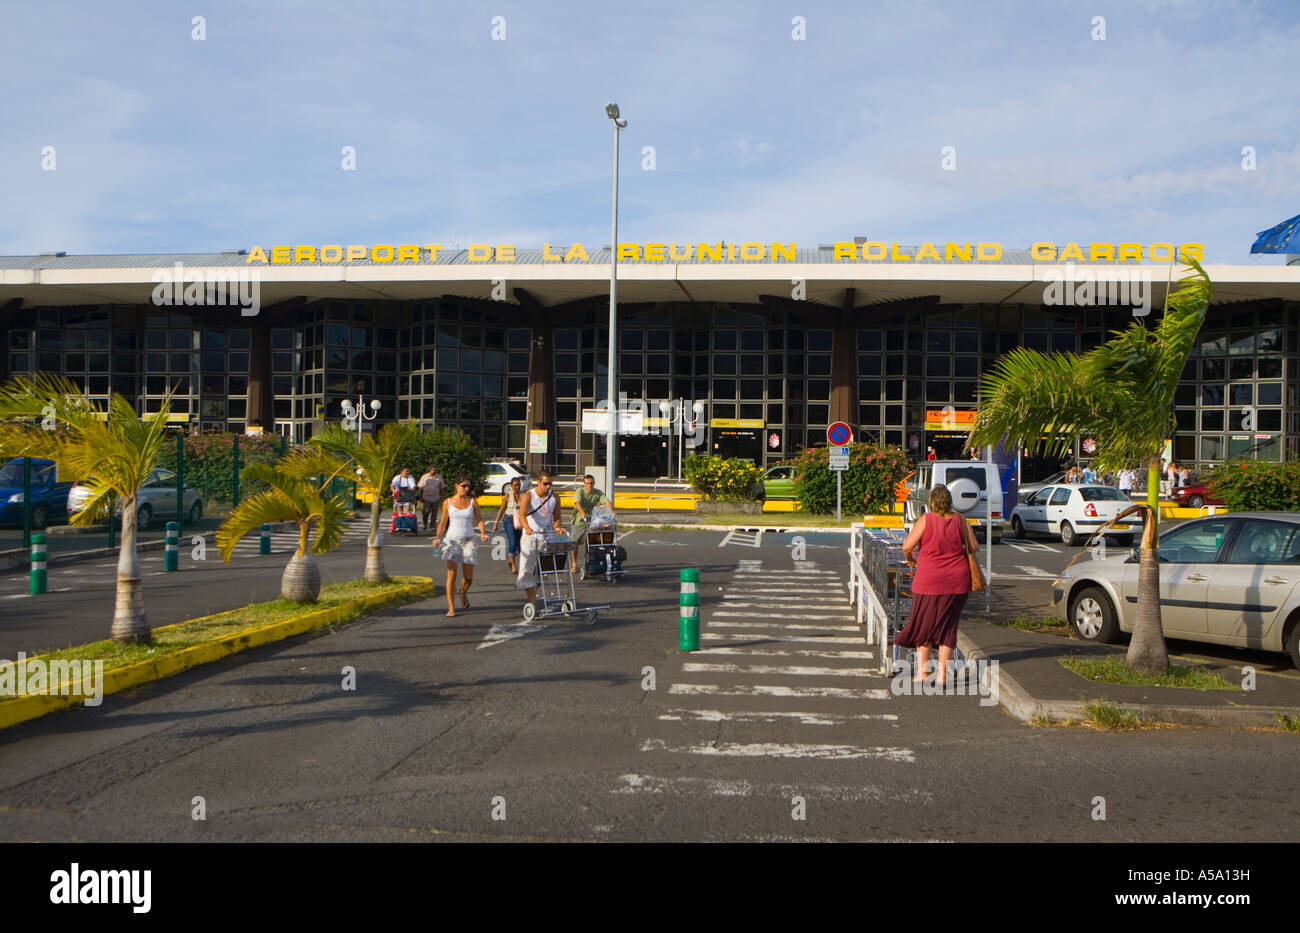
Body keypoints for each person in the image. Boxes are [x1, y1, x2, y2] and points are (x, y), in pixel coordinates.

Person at [897, 484, 979, 685]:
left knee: (924, 626)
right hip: (957, 582)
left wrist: (910, 558)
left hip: (929, 581)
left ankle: (923, 673)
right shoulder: (960, 520)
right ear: (949, 501)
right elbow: (974, 546)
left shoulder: (927, 520)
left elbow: (907, 545)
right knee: (948, 627)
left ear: (931, 503)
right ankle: (943, 675)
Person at [432, 475, 488, 617]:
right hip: (452, 540)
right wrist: (438, 537)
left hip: (468, 540)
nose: (466, 489)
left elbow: (480, 519)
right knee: (452, 574)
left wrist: (483, 533)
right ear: (456, 486)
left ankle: (463, 591)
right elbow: (443, 522)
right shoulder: (448, 502)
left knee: (468, 577)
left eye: (468, 486)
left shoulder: (472, 502)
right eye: (464, 486)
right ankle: (451, 607)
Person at [516, 472, 565, 611]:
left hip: (546, 536)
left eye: (550, 484)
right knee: (527, 570)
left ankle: (533, 595)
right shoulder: (529, 495)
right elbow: (522, 515)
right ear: (538, 482)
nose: (548, 486)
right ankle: (532, 601)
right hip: (531, 537)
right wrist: (527, 528)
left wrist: (557, 527)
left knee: (543, 570)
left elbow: (557, 517)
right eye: (545, 484)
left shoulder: (554, 497)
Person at [569, 474, 616, 574]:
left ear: (594, 483)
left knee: (590, 543)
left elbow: (606, 501)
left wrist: (612, 511)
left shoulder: (597, 492)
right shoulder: (580, 491)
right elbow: (577, 503)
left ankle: (589, 562)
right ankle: (574, 564)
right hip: (579, 520)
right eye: (587, 483)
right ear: (584, 484)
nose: (589, 485)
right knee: (574, 543)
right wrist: (582, 512)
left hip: (591, 521)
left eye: (591, 483)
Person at [492, 475, 524, 573]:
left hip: (519, 520)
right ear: (511, 485)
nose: (517, 487)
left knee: (520, 546)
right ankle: (513, 564)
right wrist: (496, 522)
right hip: (509, 519)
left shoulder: (523, 495)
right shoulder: (508, 495)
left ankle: (511, 558)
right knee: (512, 541)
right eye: (515, 485)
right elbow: (502, 509)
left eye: (518, 485)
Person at [418, 465, 444, 532]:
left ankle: (432, 526)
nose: (434, 471)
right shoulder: (424, 477)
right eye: (433, 470)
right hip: (426, 497)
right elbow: (420, 487)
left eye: (435, 470)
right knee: (426, 511)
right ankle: (425, 523)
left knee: (434, 513)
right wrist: (420, 497)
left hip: (436, 497)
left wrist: (441, 496)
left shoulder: (439, 477)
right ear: (429, 471)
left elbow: (442, 487)